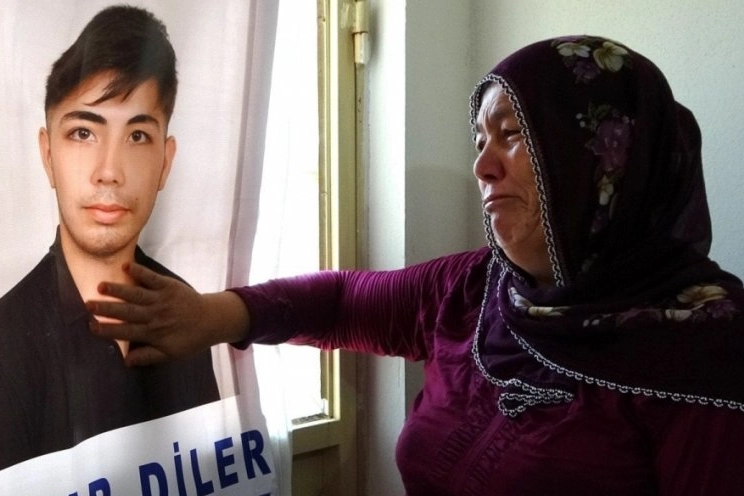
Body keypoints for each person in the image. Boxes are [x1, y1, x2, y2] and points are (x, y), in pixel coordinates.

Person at [88, 35, 744, 494]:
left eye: (513, 135)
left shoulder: (706, 350)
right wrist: (209, 317)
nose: (482, 166)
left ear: (606, 159)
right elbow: (342, 301)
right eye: (479, 139)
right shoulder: (478, 289)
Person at [0, 6, 219, 471]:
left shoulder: (188, 318)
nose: (109, 171)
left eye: (137, 136)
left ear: (165, 162)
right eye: (83, 133)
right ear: (48, 155)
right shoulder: (7, 343)